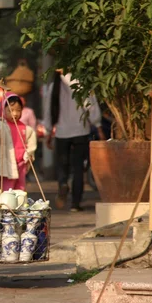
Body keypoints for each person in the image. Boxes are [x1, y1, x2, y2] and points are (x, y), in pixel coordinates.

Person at [43, 70, 104, 211]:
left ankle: (63, 183)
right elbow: (90, 105)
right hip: (80, 130)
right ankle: (75, 204)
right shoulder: (80, 82)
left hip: (61, 132)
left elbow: (49, 109)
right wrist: (98, 125)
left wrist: (48, 132)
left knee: (62, 165)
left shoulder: (54, 85)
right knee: (78, 168)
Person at [0, 93, 37, 191]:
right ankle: (8, 205)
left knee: (21, 188)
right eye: (10, 110)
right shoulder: (0, 125)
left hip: (21, 164)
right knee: (7, 189)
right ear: (3, 110)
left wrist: (29, 154)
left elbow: (31, 143)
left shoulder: (24, 128)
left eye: (18, 110)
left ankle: (20, 204)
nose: (15, 113)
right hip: (7, 164)